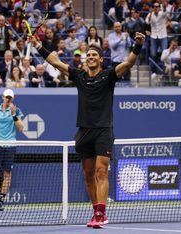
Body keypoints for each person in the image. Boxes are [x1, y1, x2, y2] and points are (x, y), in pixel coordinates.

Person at [29, 31, 145, 228]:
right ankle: (95, 212)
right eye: (88, 55)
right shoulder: (79, 76)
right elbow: (56, 63)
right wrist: (38, 46)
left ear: (100, 59)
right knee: (88, 174)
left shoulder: (109, 75)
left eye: (94, 55)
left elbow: (128, 64)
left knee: (101, 171)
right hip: (84, 131)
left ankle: (101, 213)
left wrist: (138, 45)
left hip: (103, 130)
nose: (90, 58)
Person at [0, 89, 24, 211]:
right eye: (6, 97)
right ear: (2, 97)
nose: (8, 100)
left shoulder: (16, 110)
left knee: (7, 174)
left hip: (10, 146)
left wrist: (13, 115)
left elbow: (21, 128)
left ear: (13, 98)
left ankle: (1, 198)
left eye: (10, 98)